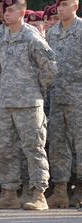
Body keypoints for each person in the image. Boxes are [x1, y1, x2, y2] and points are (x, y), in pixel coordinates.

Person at [0, 0, 57, 211]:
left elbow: (50, 69)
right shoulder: (1, 37)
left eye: (11, 10)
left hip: (29, 103)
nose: (6, 14)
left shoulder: (32, 37)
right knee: (5, 149)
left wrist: (35, 90)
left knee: (34, 149)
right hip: (6, 102)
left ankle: (38, 193)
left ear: (22, 12)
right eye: (4, 10)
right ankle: (9, 192)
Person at [45, 0, 82, 209]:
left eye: (65, 4)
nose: (60, 9)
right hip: (57, 97)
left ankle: (80, 188)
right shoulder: (51, 33)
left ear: (75, 6)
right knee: (58, 144)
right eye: (58, 5)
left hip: (78, 96)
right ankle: (60, 190)